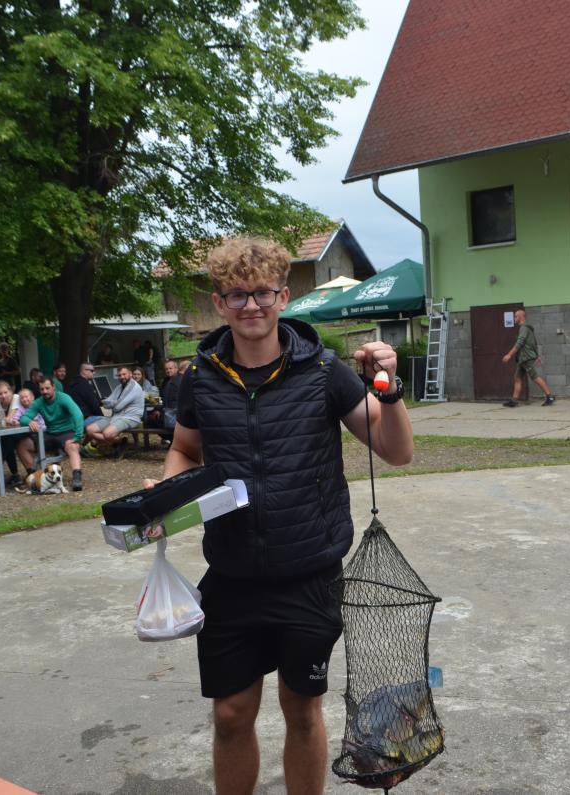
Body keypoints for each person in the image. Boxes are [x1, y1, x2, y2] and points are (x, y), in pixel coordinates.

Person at [143, 237, 413, 795]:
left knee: (302, 710)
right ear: (219, 303)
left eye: (262, 293)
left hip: (308, 574)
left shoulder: (324, 371)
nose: (250, 305)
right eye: (237, 295)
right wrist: (169, 492)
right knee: (230, 715)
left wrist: (391, 393)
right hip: (232, 574)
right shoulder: (201, 378)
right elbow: (185, 450)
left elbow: (396, 451)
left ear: (283, 297)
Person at [17, 376, 86, 491]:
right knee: (22, 445)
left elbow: (78, 415)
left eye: (47, 388)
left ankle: (77, 477)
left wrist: (78, 436)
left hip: (67, 431)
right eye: (42, 389)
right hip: (49, 433)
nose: (45, 391)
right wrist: (30, 421)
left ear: (53, 387)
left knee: (72, 446)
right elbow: (23, 418)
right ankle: (34, 476)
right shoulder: (39, 402)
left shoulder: (64, 398)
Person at [85, 365, 145, 457]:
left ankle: (118, 443)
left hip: (130, 418)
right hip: (116, 416)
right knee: (90, 430)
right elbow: (107, 403)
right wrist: (112, 403)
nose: (122, 377)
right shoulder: (119, 387)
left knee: (107, 434)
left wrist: (112, 403)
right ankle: (120, 442)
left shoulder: (134, 387)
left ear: (130, 374)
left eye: (124, 374)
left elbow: (117, 406)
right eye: (119, 375)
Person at [501, 308, 555, 407]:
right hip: (523, 358)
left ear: (521, 317)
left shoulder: (524, 328)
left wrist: (509, 354)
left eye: (516, 316)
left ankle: (549, 397)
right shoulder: (526, 328)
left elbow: (519, 343)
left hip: (526, 357)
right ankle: (514, 400)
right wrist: (537, 355)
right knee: (517, 378)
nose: (514, 318)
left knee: (534, 377)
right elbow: (533, 342)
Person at [67, 362, 104, 432]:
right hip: (84, 419)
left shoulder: (73, 383)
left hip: (73, 420)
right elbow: (94, 404)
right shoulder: (84, 385)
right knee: (108, 421)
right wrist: (102, 416)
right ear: (84, 371)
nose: (94, 373)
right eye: (92, 371)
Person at [159, 359, 181, 429]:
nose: (168, 371)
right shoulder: (165, 381)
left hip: (176, 413)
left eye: (170, 368)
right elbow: (161, 395)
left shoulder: (181, 380)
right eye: (166, 369)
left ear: (176, 369)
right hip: (167, 411)